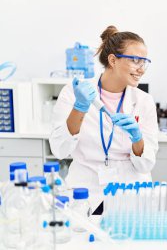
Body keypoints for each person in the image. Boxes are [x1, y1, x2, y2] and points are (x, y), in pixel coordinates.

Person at [49, 25, 158, 208]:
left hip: (131, 191)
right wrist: (80, 107)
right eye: (135, 60)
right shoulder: (74, 92)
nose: (141, 69)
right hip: (86, 190)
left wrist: (137, 138)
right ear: (113, 60)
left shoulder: (144, 101)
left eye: (144, 62)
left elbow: (146, 165)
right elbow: (60, 149)